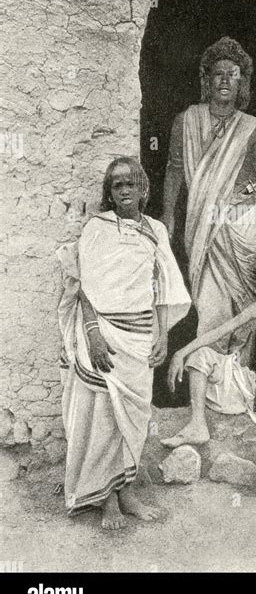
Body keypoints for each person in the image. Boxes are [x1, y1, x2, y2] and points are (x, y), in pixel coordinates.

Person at [56, 157, 190, 529]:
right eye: (118, 185)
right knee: (104, 416)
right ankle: (106, 501)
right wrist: (94, 334)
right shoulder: (96, 229)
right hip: (106, 335)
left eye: (132, 183)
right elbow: (83, 289)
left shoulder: (156, 231)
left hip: (141, 337)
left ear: (144, 188)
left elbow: (164, 286)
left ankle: (126, 492)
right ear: (109, 193)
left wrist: (162, 334)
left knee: (134, 417)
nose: (126, 190)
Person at [161, 36, 256, 337]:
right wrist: (168, 218)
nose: (226, 80)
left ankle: (240, 383)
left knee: (249, 320)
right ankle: (208, 380)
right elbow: (174, 171)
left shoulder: (252, 128)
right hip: (205, 231)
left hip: (246, 231)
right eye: (219, 73)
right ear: (207, 79)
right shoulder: (186, 121)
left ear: (242, 82)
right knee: (211, 316)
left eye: (234, 74)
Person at [161, 241, 256, 492]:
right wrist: (181, 352)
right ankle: (198, 424)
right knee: (202, 355)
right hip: (252, 387)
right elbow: (218, 332)